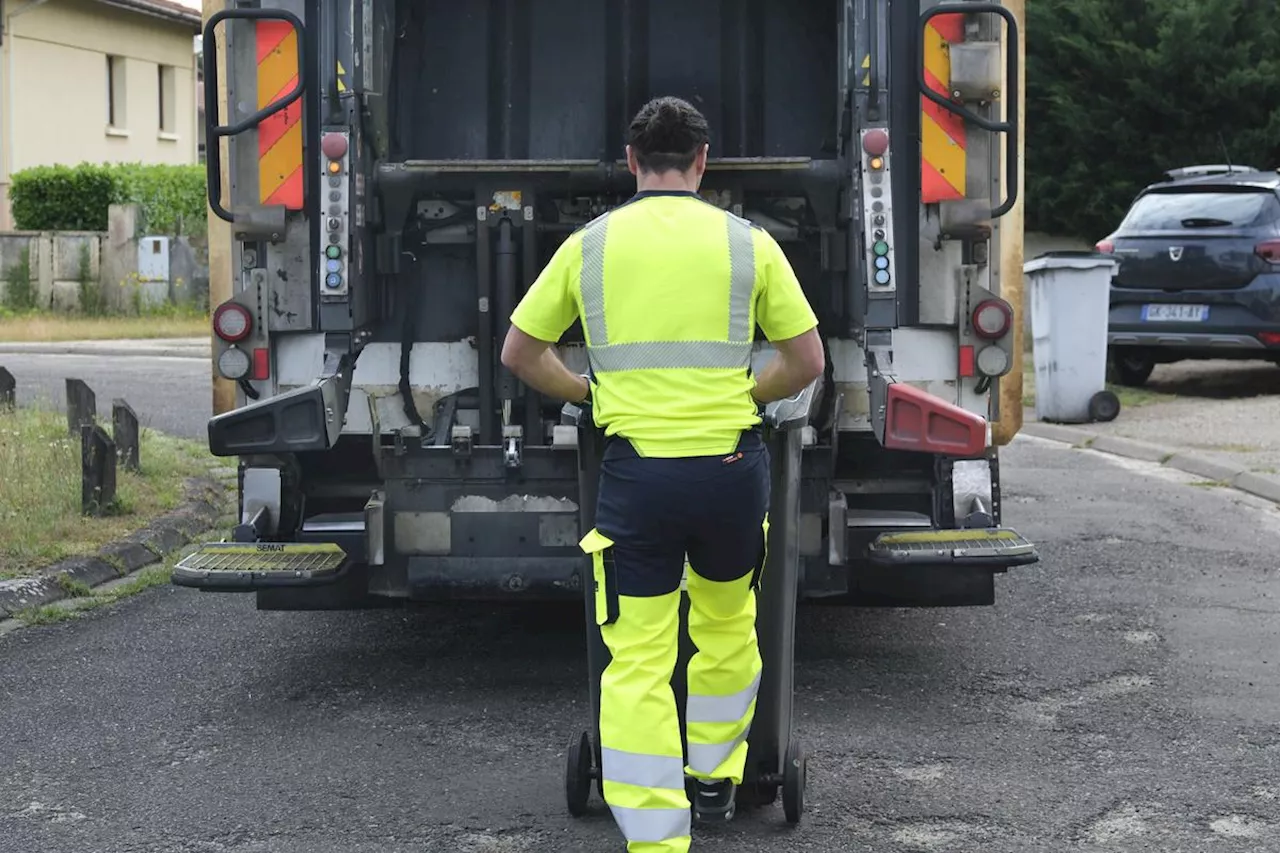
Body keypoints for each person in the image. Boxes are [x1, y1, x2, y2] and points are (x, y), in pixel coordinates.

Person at [500, 95, 824, 853]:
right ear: (704, 163)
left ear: (631, 161)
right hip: (730, 471)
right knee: (726, 625)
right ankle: (715, 779)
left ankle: (654, 834)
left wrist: (589, 392)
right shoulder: (748, 245)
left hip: (637, 477)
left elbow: (519, 351)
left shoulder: (590, 246)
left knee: (640, 653)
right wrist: (748, 392)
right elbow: (807, 360)